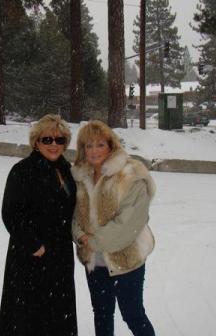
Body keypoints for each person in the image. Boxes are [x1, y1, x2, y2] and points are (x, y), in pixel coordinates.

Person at [71, 120, 156, 336]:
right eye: (88, 146)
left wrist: (94, 241)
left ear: (111, 145)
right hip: (95, 263)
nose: (93, 151)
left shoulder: (131, 174)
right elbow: (74, 216)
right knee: (101, 314)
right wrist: (80, 235)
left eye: (99, 144)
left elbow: (128, 223)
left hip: (126, 261)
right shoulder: (81, 176)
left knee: (133, 315)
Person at [0, 114, 77, 336]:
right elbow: (11, 214)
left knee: (58, 314)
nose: (53, 145)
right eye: (47, 139)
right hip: (31, 258)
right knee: (29, 317)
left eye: (59, 140)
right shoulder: (23, 170)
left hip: (60, 256)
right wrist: (34, 245)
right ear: (36, 142)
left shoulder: (67, 169)